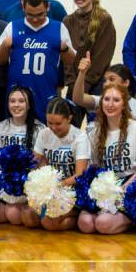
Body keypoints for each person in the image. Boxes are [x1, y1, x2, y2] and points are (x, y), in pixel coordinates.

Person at [77, 83, 136, 235]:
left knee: (103, 223)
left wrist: (121, 191)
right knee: (85, 223)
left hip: (130, 186)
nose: (110, 104)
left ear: (124, 104)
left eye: (116, 100)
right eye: (106, 99)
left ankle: (132, 218)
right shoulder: (95, 132)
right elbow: (94, 169)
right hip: (105, 188)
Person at [0, 0, 76, 123]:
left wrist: (65, 48)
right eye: (30, 15)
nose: (36, 19)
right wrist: (4, 46)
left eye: (40, 14)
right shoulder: (12, 26)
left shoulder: (59, 27)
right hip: (18, 94)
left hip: (46, 92)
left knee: (46, 134)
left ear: (48, 7)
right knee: (17, 132)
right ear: (23, 7)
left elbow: (70, 61)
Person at [0, 86, 43, 225]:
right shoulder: (0, 127)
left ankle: (21, 209)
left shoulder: (40, 129)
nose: (16, 105)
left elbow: (40, 163)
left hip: (28, 184)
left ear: (29, 105)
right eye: (12, 101)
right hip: (4, 184)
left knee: (13, 214)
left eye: (21, 101)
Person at [33, 97, 90, 231]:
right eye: (49, 122)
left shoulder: (80, 138)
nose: (53, 127)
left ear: (69, 119)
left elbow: (79, 175)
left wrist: (56, 186)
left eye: (58, 123)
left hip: (73, 190)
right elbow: (33, 163)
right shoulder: (44, 134)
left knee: (49, 223)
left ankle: (77, 217)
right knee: (28, 217)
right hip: (51, 192)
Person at [63, 0, 116, 121]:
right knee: (70, 130)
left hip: (97, 83)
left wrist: (84, 84)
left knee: (98, 130)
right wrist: (73, 82)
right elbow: (65, 57)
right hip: (75, 83)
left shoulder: (104, 19)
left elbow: (102, 58)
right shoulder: (67, 21)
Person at [72, 57, 136, 127]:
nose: (106, 84)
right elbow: (78, 99)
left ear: (126, 83)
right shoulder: (102, 101)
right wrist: (82, 73)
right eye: (105, 80)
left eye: (112, 79)